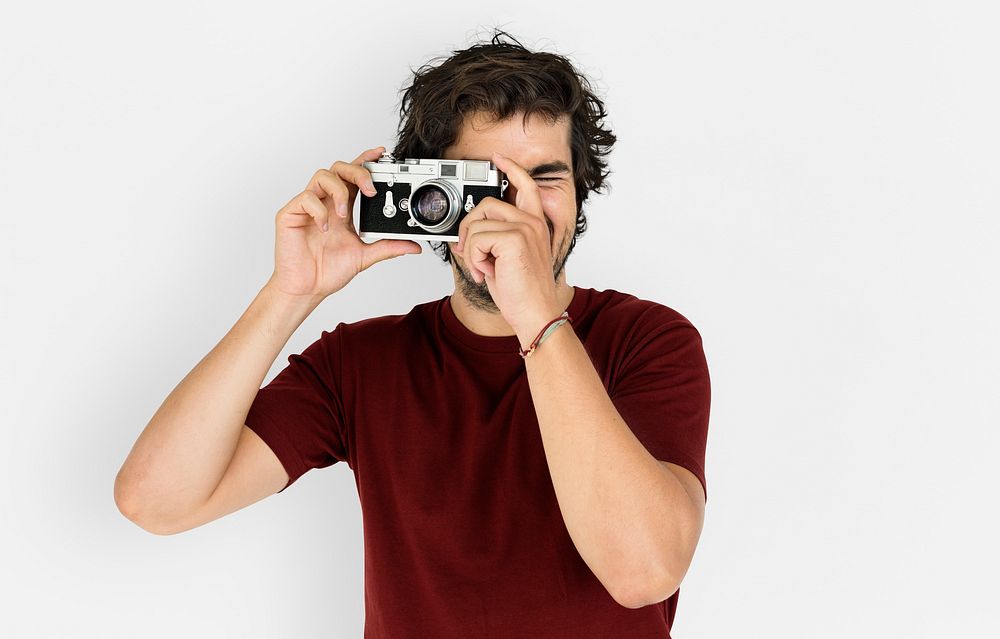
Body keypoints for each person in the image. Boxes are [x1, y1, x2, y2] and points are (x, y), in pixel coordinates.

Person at [115, 30, 711, 638]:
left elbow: (644, 572)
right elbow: (157, 501)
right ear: (430, 197)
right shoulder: (361, 362)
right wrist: (292, 292)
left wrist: (533, 315)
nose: (516, 209)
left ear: (582, 195)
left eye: (546, 179)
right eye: (487, 183)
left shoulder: (649, 340)